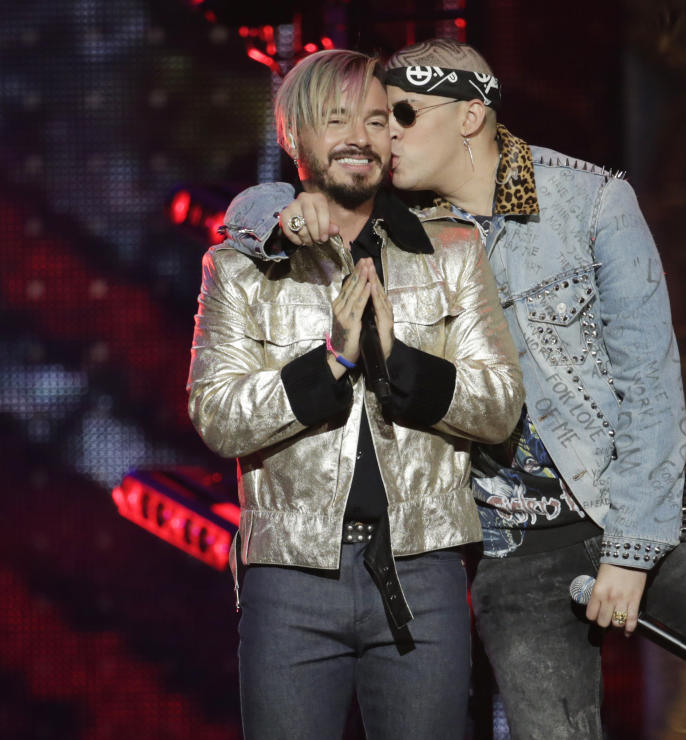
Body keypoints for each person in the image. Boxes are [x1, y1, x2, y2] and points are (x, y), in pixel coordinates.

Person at [223, 39, 686, 740]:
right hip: (511, 543)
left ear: (468, 117)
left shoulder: (590, 201)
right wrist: (274, 209)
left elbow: (653, 394)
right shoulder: (404, 221)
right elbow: (274, 199)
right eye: (373, 118)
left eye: (401, 115)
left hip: (637, 504)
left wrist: (631, 554)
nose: (381, 134)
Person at [186, 48, 523, 739]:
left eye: (376, 119)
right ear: (294, 136)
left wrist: (397, 361)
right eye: (336, 118)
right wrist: (333, 361)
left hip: (422, 568)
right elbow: (216, 416)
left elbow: (498, 407)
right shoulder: (242, 266)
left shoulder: (452, 251)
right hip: (289, 576)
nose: (359, 136)